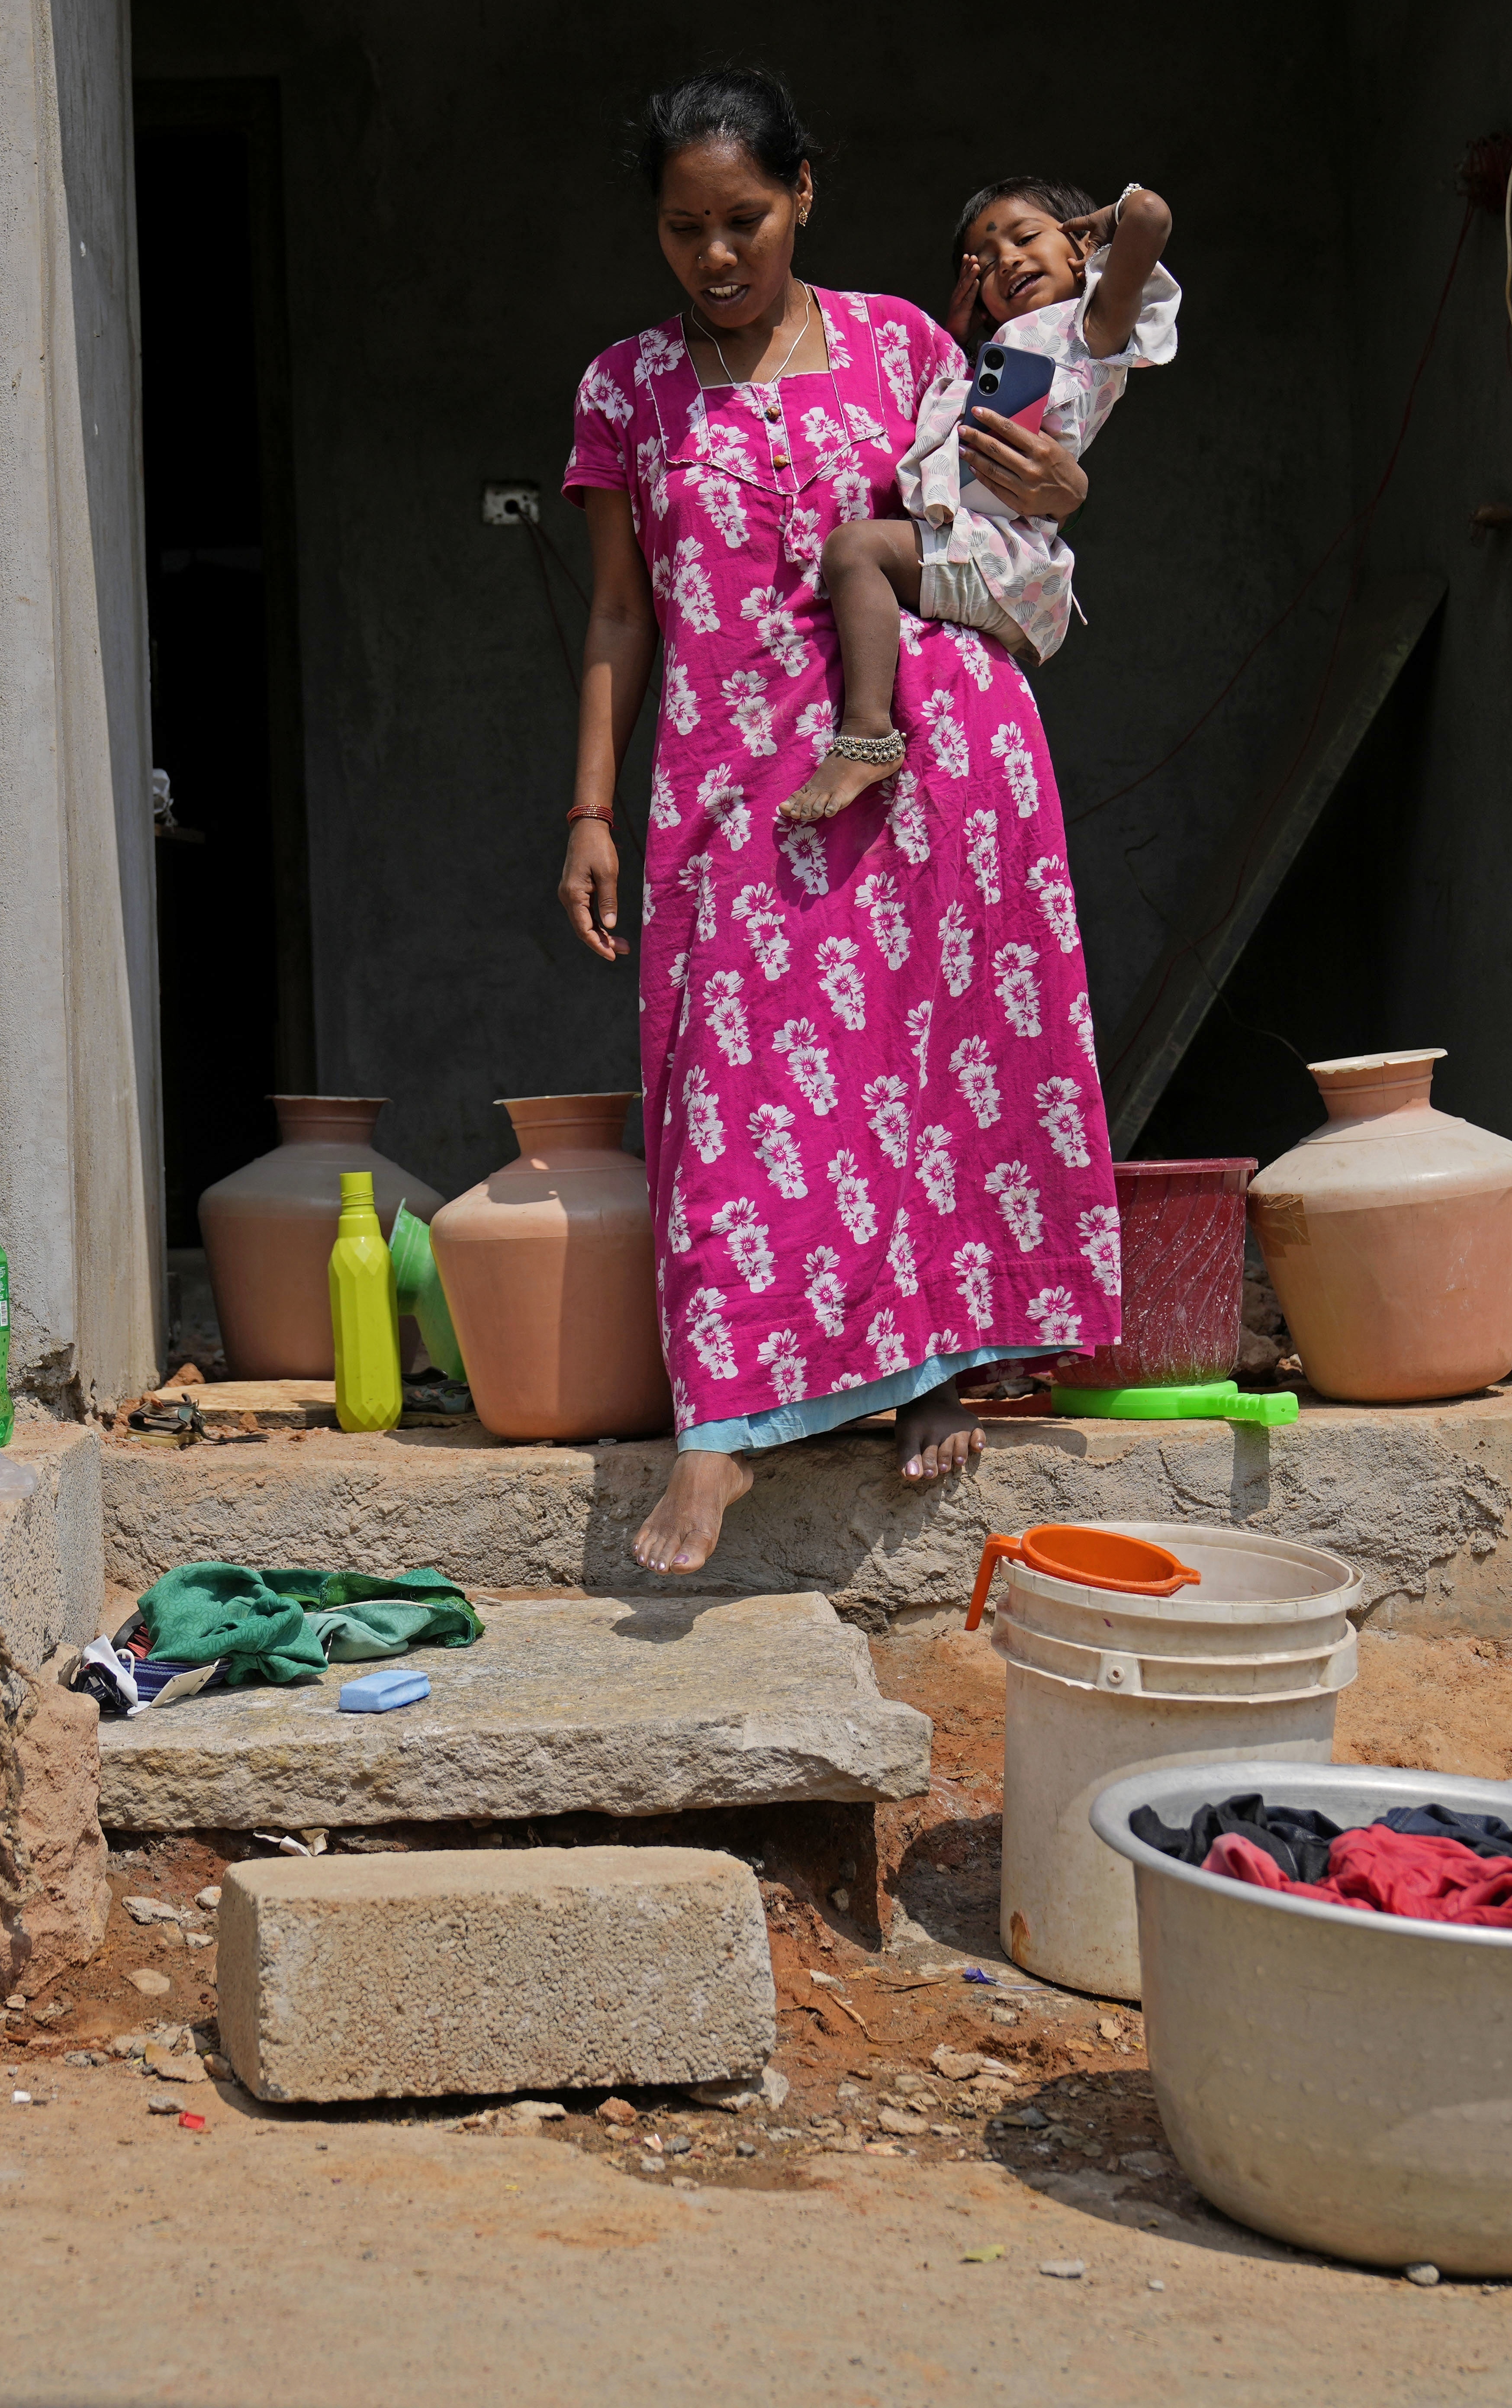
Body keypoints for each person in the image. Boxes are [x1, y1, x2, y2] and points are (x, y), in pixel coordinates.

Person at [553, 67, 1124, 1576]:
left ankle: (930, 1362)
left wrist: (1058, 479)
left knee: (910, 1065)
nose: (716, 256)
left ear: (802, 194)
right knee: (727, 1073)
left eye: (743, 219)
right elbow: (619, 612)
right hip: (718, 773)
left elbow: (1017, 512)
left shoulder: (907, 344)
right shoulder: (626, 389)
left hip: (923, 749)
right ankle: (721, 1423)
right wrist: (590, 805)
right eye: (684, 230)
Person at [777, 178, 1179, 828]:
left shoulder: (1093, 328)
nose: (1007, 262)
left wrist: (1094, 228)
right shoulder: (1009, 352)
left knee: (855, 549)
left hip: (1006, 555)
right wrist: (960, 332)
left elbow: (1151, 217)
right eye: (986, 263)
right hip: (987, 547)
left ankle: (866, 735)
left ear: (1081, 254)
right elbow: (959, 439)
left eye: (1025, 239)